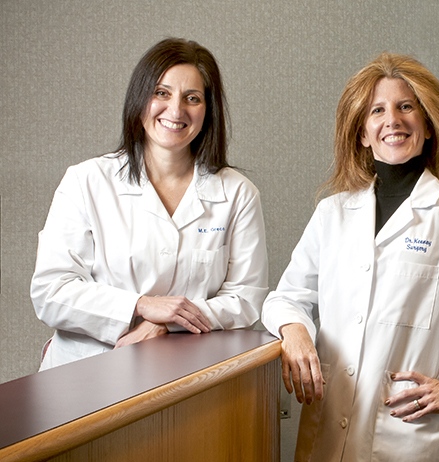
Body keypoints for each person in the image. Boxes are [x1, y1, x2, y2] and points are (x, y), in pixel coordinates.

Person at [261, 52, 439, 461]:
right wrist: (294, 330)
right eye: (377, 110)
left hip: (405, 441)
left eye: (406, 106)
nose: (392, 120)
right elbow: (285, 298)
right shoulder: (333, 213)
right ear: (362, 133)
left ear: (429, 125)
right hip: (326, 435)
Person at [31, 38, 268, 371]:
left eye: (193, 98)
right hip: (86, 372)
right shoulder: (87, 181)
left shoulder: (238, 193)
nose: (176, 110)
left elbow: (246, 299)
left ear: (208, 110)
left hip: (183, 376)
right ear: (139, 98)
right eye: (161, 93)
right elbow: (51, 291)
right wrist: (141, 306)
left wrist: (166, 322)